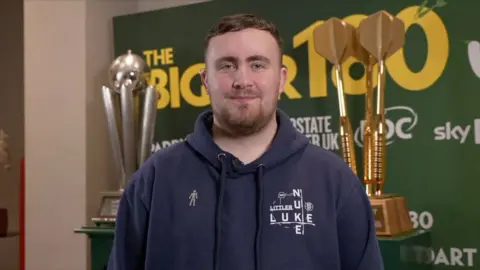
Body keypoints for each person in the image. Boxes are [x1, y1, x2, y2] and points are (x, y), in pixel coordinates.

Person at [107, 13, 384, 270]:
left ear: (281, 79)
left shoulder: (334, 181)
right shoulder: (154, 180)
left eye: (257, 64)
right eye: (227, 65)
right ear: (205, 80)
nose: (242, 80)